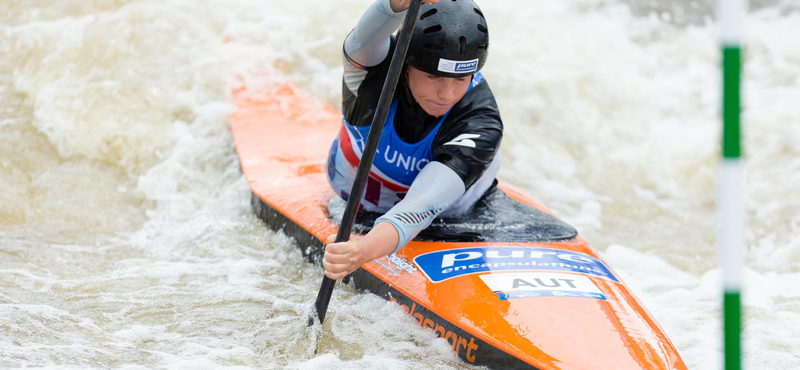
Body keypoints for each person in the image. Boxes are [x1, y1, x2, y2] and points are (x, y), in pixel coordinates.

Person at [323, 0, 502, 280]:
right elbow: (364, 38)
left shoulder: (480, 122)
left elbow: (418, 208)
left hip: (454, 218)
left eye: (462, 78)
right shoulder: (371, 76)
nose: (447, 95)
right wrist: (394, 4)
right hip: (352, 207)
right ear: (406, 65)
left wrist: (363, 250)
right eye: (434, 76)